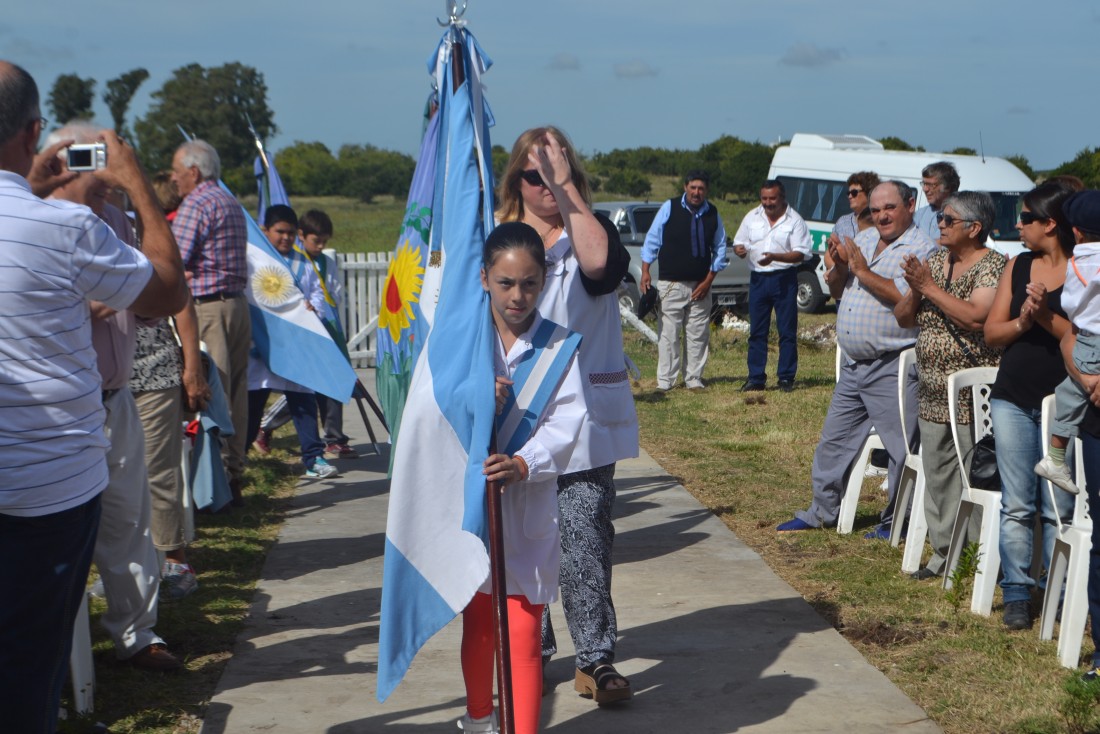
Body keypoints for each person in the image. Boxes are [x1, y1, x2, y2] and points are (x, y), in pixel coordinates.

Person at [0, 61, 187, 733]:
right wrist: (137, 184)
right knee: (30, 653)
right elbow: (169, 289)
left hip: (76, 439)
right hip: (46, 485)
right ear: (32, 134)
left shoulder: (53, 218)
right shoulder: (64, 227)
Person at [496, 126, 638, 703]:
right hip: (518, 421)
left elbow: (599, 264)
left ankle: (596, 658)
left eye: (557, 170)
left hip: (582, 420)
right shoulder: (503, 244)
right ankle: (533, 650)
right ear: (516, 182)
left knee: (582, 537)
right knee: (524, 543)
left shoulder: (589, 233)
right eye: (534, 175)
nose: (547, 184)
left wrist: (570, 192)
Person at [46, 121, 189, 667]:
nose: (100, 170)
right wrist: (113, 296)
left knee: (128, 519)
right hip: (60, 408)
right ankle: (56, 648)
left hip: (115, 394)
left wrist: (132, 292)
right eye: (87, 159)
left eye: (105, 158)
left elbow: (159, 301)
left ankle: (136, 632)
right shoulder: (44, 222)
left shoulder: (119, 221)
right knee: (54, 533)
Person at [460, 221, 586, 734]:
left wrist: (524, 463)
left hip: (528, 503)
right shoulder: (463, 342)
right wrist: (471, 401)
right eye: (506, 282)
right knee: (479, 624)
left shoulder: (559, 348)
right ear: (485, 277)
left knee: (523, 629)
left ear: (545, 282)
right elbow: (428, 410)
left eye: (529, 283)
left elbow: (568, 420)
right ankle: (477, 719)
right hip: (472, 508)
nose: (518, 295)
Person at [776, 181, 937, 537]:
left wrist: (862, 271)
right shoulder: (862, 240)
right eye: (875, 210)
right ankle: (821, 511)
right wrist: (837, 268)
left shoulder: (922, 249)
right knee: (834, 440)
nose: (881, 216)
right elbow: (838, 290)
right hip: (854, 365)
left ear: (910, 205)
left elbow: (905, 300)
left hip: (892, 364)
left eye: (889, 208)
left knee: (900, 450)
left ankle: (898, 521)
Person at [894, 191, 1006, 581]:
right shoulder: (936, 262)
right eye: (940, 218)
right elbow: (904, 319)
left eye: (948, 220)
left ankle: (975, 561)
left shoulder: (993, 266)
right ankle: (944, 556)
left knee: (973, 474)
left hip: (972, 395)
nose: (939, 225)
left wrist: (929, 288)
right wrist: (915, 287)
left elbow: (976, 317)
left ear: (974, 229)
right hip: (932, 390)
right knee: (938, 472)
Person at [984, 181, 1079, 630]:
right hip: (1013, 399)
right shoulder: (1018, 265)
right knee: (1017, 502)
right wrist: (1024, 320)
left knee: (1056, 505)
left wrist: (1044, 316)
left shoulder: (1084, 268)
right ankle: (1018, 594)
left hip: (1064, 402)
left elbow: (1083, 340)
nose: (1018, 225)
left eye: (1025, 218)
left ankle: (1057, 591)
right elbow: (992, 333)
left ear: (1050, 223)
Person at [133, 167, 210, 598]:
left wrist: (191, 367)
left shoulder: (149, 235)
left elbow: (181, 301)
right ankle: (128, 566)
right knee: (119, 481)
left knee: (159, 472)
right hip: (106, 375)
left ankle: (174, 560)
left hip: (154, 369)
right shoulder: (84, 229)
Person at [171, 139, 251, 504]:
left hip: (207, 308)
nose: (173, 180)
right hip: (235, 305)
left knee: (212, 394)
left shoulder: (197, 204)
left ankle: (215, 484)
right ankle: (233, 472)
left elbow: (173, 260)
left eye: (176, 172)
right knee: (235, 390)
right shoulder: (229, 202)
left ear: (193, 171)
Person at [256, 209, 358, 459]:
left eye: (325, 241)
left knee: (333, 381)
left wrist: (318, 312)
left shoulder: (326, 263)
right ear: (302, 236)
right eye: (316, 241)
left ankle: (334, 437)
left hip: (325, 329)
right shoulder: (292, 261)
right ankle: (266, 426)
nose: (321, 246)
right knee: (306, 386)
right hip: (297, 332)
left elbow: (329, 295)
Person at [246, 205, 339, 479]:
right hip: (262, 349)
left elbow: (318, 295)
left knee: (303, 402)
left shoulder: (303, 263)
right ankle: (237, 459)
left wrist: (314, 311)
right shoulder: (255, 261)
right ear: (266, 231)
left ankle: (313, 458)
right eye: (279, 232)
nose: (285, 238)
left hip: (296, 347)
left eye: (289, 233)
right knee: (252, 406)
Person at [1034, 190, 1100, 498]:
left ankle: (1056, 457)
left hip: (1084, 340)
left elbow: (1071, 307)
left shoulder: (1077, 263)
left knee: (1070, 394)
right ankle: (1055, 459)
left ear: (1076, 231)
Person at [639, 170, 727, 391]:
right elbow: (652, 239)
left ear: (706, 190)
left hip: (700, 285)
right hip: (672, 284)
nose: (697, 192)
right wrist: (645, 271)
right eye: (693, 187)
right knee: (669, 335)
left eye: (701, 188)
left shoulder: (712, 213)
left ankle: (693, 379)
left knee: (698, 334)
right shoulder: (669, 207)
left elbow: (720, 249)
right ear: (685, 187)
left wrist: (707, 282)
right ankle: (665, 381)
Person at [732, 179, 812, 392]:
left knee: (787, 330)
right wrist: (739, 250)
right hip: (758, 279)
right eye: (764, 198)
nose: (767, 203)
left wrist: (776, 257)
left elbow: (801, 253)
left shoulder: (794, 220)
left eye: (772, 199)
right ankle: (756, 378)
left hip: (784, 278)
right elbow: (738, 243)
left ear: (782, 198)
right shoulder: (752, 216)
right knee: (757, 331)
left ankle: (786, 378)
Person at [913, 161, 960, 243]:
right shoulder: (920, 214)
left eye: (931, 185)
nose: (925, 189)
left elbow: (947, 244)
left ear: (948, 187)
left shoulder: (961, 215)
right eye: (924, 184)